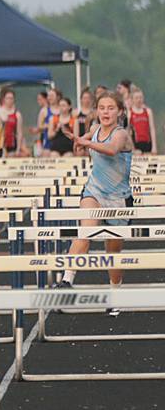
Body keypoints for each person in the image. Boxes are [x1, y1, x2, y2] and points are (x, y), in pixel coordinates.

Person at [58, 93, 133, 316]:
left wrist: (86, 142)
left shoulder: (122, 134)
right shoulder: (94, 129)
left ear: (119, 111)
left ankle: (115, 294)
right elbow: (81, 145)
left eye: (111, 108)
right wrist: (78, 143)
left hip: (119, 197)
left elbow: (111, 149)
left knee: (113, 251)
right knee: (86, 230)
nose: (106, 112)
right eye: (102, 108)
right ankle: (66, 281)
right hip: (94, 191)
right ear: (97, 111)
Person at [129, 89, 157, 154]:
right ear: (132, 99)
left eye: (140, 97)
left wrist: (154, 146)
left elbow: (152, 129)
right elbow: (127, 133)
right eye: (136, 98)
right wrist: (133, 149)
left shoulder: (148, 111)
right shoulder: (129, 113)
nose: (139, 100)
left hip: (147, 143)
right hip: (135, 145)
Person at [0, 87, 24, 157]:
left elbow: (19, 132)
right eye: (8, 98)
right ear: (4, 99)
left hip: (12, 144)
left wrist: (18, 149)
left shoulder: (17, 114)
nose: (10, 100)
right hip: (0, 143)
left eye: (11, 98)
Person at [75, 88, 96, 157]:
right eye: (84, 98)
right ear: (81, 99)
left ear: (91, 100)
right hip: (81, 139)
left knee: (90, 152)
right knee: (79, 152)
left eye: (88, 98)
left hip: (92, 140)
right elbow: (75, 132)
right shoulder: (76, 112)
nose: (86, 100)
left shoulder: (95, 113)